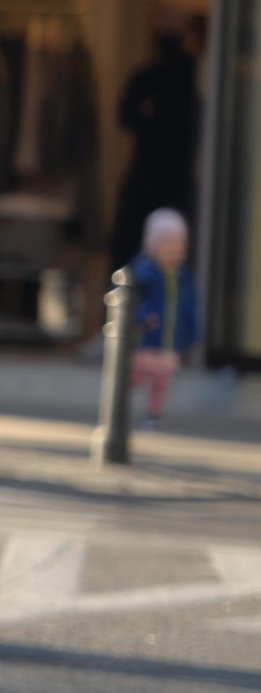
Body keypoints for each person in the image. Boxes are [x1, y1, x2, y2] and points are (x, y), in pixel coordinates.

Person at [109, 27, 201, 269]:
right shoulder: (160, 78)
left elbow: (127, 116)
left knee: (156, 247)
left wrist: (153, 118)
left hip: (164, 175)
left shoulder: (183, 79)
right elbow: (126, 116)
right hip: (161, 174)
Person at [126, 208, 200, 427]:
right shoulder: (143, 272)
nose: (173, 249)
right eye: (167, 243)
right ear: (152, 246)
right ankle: (119, 405)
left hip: (169, 341)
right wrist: (143, 316)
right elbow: (132, 299)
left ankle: (153, 415)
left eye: (178, 244)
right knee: (136, 375)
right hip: (146, 339)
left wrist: (191, 334)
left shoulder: (185, 278)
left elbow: (190, 309)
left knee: (161, 381)